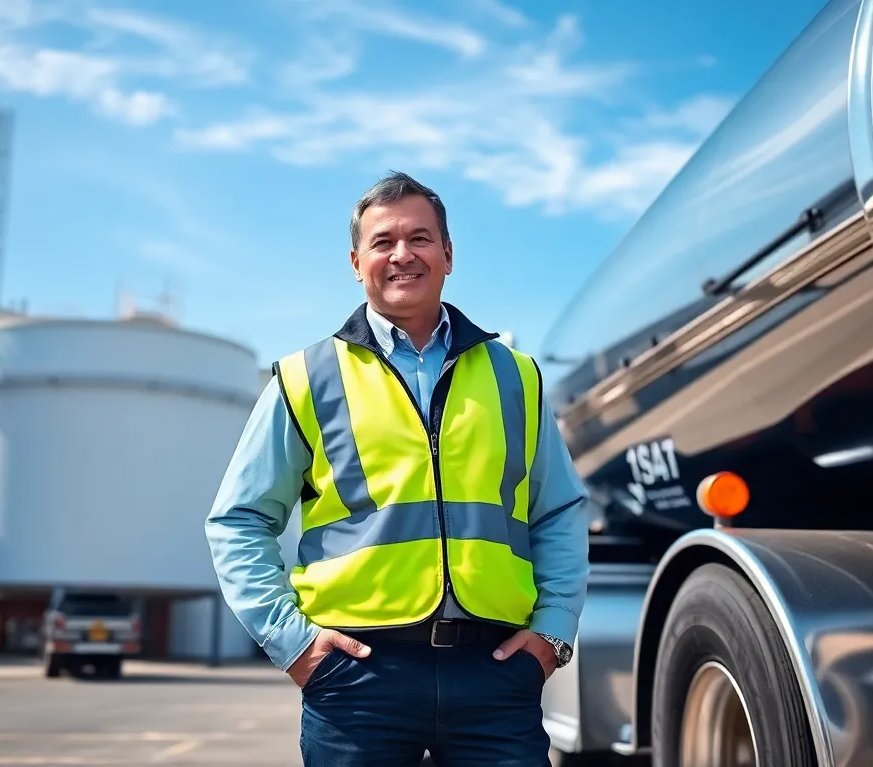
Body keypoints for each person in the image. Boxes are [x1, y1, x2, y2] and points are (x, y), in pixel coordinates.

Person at [205, 171, 590, 766]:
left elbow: (559, 510)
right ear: (357, 262)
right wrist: (294, 643)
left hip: (495, 673)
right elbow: (238, 520)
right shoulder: (305, 378)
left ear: (448, 254)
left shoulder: (516, 376)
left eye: (421, 238)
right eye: (383, 242)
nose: (402, 255)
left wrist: (552, 633)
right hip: (357, 678)